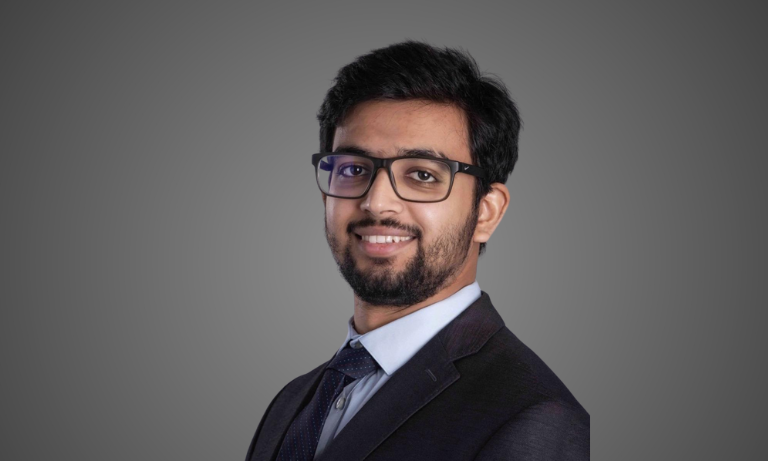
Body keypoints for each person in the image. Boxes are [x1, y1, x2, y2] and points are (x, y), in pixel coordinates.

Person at [245, 41, 589, 461]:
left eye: (423, 175)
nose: (376, 203)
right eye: (354, 169)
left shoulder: (535, 419)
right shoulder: (293, 402)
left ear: (486, 212)